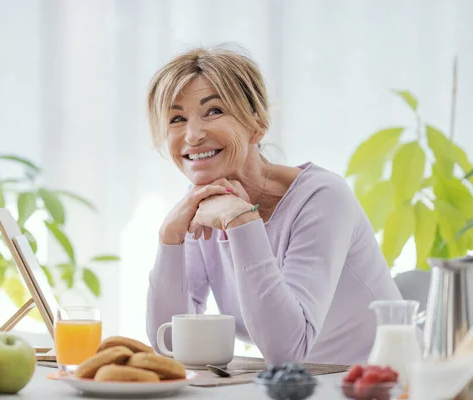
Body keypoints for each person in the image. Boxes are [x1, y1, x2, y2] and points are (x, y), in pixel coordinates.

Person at [144, 45, 403, 366]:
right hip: (292, 388)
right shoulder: (204, 204)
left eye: (213, 111)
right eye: (177, 118)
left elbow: (288, 349)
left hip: (378, 385)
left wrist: (240, 221)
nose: (193, 135)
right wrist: (170, 236)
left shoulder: (322, 198)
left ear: (257, 125)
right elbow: (167, 343)